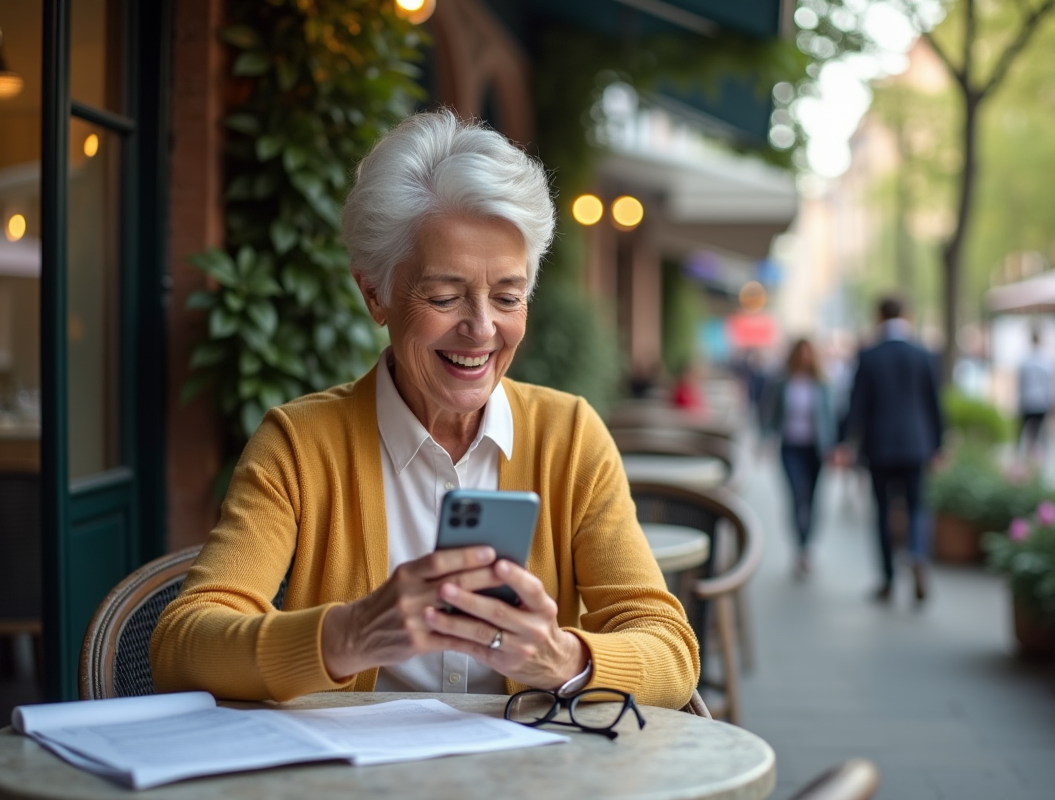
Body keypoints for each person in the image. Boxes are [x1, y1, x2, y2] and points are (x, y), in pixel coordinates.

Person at [150, 111, 699, 709]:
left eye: (507, 297)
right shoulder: (300, 444)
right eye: (444, 296)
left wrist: (561, 659)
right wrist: (349, 635)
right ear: (375, 294)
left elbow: (670, 651)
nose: (481, 328)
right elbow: (182, 646)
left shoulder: (569, 437)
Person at [833, 295, 943, 603]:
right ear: (905, 315)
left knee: (882, 512)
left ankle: (888, 579)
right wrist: (939, 444)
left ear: (879, 315)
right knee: (917, 506)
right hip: (917, 444)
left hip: (879, 446)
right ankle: (917, 554)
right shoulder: (923, 354)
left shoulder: (869, 355)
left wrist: (844, 441)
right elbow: (934, 403)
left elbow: (856, 404)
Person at [765, 339, 836, 576]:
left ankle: (807, 547)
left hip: (815, 449)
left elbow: (831, 418)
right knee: (797, 496)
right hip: (790, 448)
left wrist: (834, 448)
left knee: (813, 499)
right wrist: (766, 439)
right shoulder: (783, 383)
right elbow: (772, 414)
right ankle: (799, 545)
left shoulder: (822, 385)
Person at [1016, 330, 1055, 459]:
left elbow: (1021, 383)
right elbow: (1051, 384)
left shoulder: (1025, 361)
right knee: (1041, 432)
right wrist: (1052, 401)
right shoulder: (1046, 361)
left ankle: (1025, 456)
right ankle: (1040, 457)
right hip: (1042, 402)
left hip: (1028, 401)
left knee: (1025, 432)